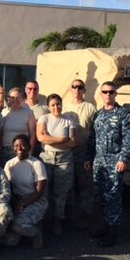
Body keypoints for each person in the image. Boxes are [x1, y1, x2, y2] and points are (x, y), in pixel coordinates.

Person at [85, 81, 130, 248]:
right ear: (101, 94)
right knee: (100, 196)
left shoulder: (123, 115)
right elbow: (92, 138)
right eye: (105, 92)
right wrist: (88, 157)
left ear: (115, 94)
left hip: (115, 161)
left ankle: (113, 232)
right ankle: (104, 226)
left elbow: (129, 139)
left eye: (111, 92)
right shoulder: (97, 115)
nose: (108, 94)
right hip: (99, 162)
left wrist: (123, 159)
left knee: (113, 196)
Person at [36, 93, 76, 236]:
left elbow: (72, 142)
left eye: (58, 104)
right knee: (43, 191)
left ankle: (57, 221)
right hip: (46, 158)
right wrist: (62, 138)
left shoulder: (69, 120)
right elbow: (40, 137)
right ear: (48, 106)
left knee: (61, 192)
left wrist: (50, 139)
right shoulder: (44, 118)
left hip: (64, 159)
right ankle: (41, 221)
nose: (56, 107)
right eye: (52, 105)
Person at [62, 79, 97, 230]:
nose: (77, 89)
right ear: (71, 90)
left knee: (85, 185)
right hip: (67, 150)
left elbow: (95, 131)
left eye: (80, 87)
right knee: (67, 185)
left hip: (83, 150)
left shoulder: (90, 108)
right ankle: (68, 216)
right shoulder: (64, 107)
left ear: (84, 90)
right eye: (74, 87)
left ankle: (86, 216)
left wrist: (90, 154)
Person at [3, 134, 48, 249]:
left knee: (17, 226)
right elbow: (7, 187)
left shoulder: (37, 164)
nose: (19, 148)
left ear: (29, 147)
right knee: (10, 241)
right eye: (16, 145)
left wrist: (23, 204)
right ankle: (28, 226)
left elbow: (39, 191)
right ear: (13, 148)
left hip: (34, 201)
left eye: (23, 145)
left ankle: (37, 233)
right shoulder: (10, 164)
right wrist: (15, 203)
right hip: (17, 200)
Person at [1, 87, 36, 165]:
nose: (15, 100)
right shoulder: (4, 112)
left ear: (22, 99)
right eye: (12, 97)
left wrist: (29, 152)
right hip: (5, 151)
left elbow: (33, 134)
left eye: (18, 97)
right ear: (8, 99)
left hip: (22, 151)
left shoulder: (28, 113)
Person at [24, 80, 49, 156]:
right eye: (30, 88)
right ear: (25, 90)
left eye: (35, 89)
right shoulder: (20, 106)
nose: (32, 91)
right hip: (24, 142)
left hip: (40, 145)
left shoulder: (45, 107)